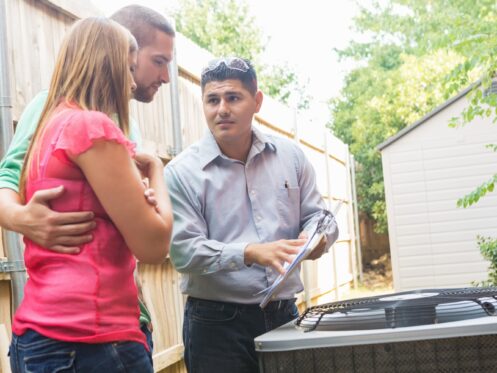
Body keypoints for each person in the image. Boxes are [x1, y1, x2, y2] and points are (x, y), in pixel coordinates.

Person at [0, 4, 175, 355]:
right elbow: (154, 245)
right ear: (120, 55)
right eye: (157, 61)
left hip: (58, 322)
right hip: (90, 333)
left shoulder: (67, 121)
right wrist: (23, 218)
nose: (166, 76)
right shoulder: (85, 123)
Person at [164, 57, 339, 373]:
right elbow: (184, 253)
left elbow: (321, 216)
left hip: (285, 314)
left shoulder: (291, 157)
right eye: (212, 100)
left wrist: (317, 239)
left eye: (233, 98)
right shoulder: (181, 173)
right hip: (215, 324)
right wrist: (248, 253)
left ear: (256, 101)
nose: (222, 109)